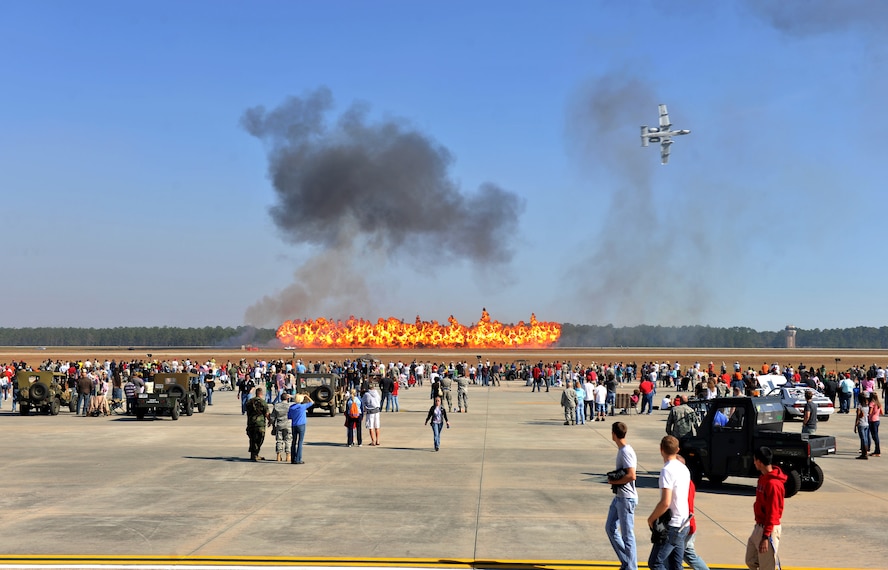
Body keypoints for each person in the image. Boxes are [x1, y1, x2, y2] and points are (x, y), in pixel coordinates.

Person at [647, 435, 691, 570]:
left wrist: (651, 518)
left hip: (673, 525)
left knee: (655, 563)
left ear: (661, 449)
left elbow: (665, 502)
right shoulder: (684, 468)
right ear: (677, 450)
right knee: (675, 565)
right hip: (684, 522)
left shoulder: (667, 470)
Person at [745, 446, 786, 570]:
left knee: (767, 567)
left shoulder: (773, 484)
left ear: (759, 462)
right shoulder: (763, 479)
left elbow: (772, 513)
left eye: (754, 460)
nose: (753, 463)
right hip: (759, 526)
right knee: (751, 560)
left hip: (768, 529)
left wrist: (765, 537)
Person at [606, 421, 638, 570]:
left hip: (626, 498)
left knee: (628, 536)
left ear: (613, 434)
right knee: (610, 527)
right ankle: (626, 562)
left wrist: (614, 479)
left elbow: (632, 476)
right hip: (620, 496)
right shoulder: (622, 450)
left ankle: (631, 567)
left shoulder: (626, 451)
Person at [287, 393, 313, 464]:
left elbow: (289, 417)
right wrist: (307, 396)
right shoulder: (302, 406)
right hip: (301, 425)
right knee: (300, 442)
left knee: (293, 442)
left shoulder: (291, 407)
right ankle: (298, 459)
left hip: (294, 425)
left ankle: (293, 458)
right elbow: (312, 402)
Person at [245, 387, 270, 461]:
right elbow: (267, 413)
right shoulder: (263, 402)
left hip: (250, 423)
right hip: (260, 424)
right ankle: (255, 454)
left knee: (252, 439)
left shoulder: (249, 401)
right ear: (261, 394)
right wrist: (270, 421)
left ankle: (253, 454)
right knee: (259, 439)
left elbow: (247, 411)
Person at [269, 392, 292, 462]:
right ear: (287, 399)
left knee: (279, 440)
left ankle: (278, 455)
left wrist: (272, 424)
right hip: (288, 424)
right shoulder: (289, 406)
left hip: (279, 424)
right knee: (288, 440)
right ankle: (288, 455)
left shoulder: (276, 406)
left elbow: (272, 417)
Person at [854, 392, 870, 460]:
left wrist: (855, 425)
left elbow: (858, 416)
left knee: (863, 439)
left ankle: (864, 454)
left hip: (861, 423)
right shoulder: (867, 405)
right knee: (865, 439)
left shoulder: (859, 406)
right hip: (866, 423)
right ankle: (865, 452)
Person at [868, 391, 882, 457]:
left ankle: (877, 451)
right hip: (877, 420)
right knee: (876, 436)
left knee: (874, 436)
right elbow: (882, 412)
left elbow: (870, 412)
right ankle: (877, 450)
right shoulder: (878, 403)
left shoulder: (872, 403)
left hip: (872, 420)